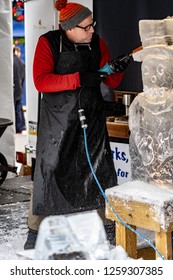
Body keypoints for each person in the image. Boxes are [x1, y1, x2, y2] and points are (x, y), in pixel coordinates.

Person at [24, 0, 131, 249]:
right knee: (49, 174)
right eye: (86, 27)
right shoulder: (49, 43)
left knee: (100, 171)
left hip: (90, 120)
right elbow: (41, 81)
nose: (92, 30)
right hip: (58, 124)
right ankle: (34, 233)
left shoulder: (97, 42)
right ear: (69, 28)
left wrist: (116, 69)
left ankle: (108, 228)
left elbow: (110, 80)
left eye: (93, 24)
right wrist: (79, 78)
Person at [13, 46, 25, 133]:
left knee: (14, 109)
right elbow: (23, 78)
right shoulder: (21, 62)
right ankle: (19, 128)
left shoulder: (10, 62)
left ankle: (15, 127)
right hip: (19, 89)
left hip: (12, 89)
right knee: (18, 108)